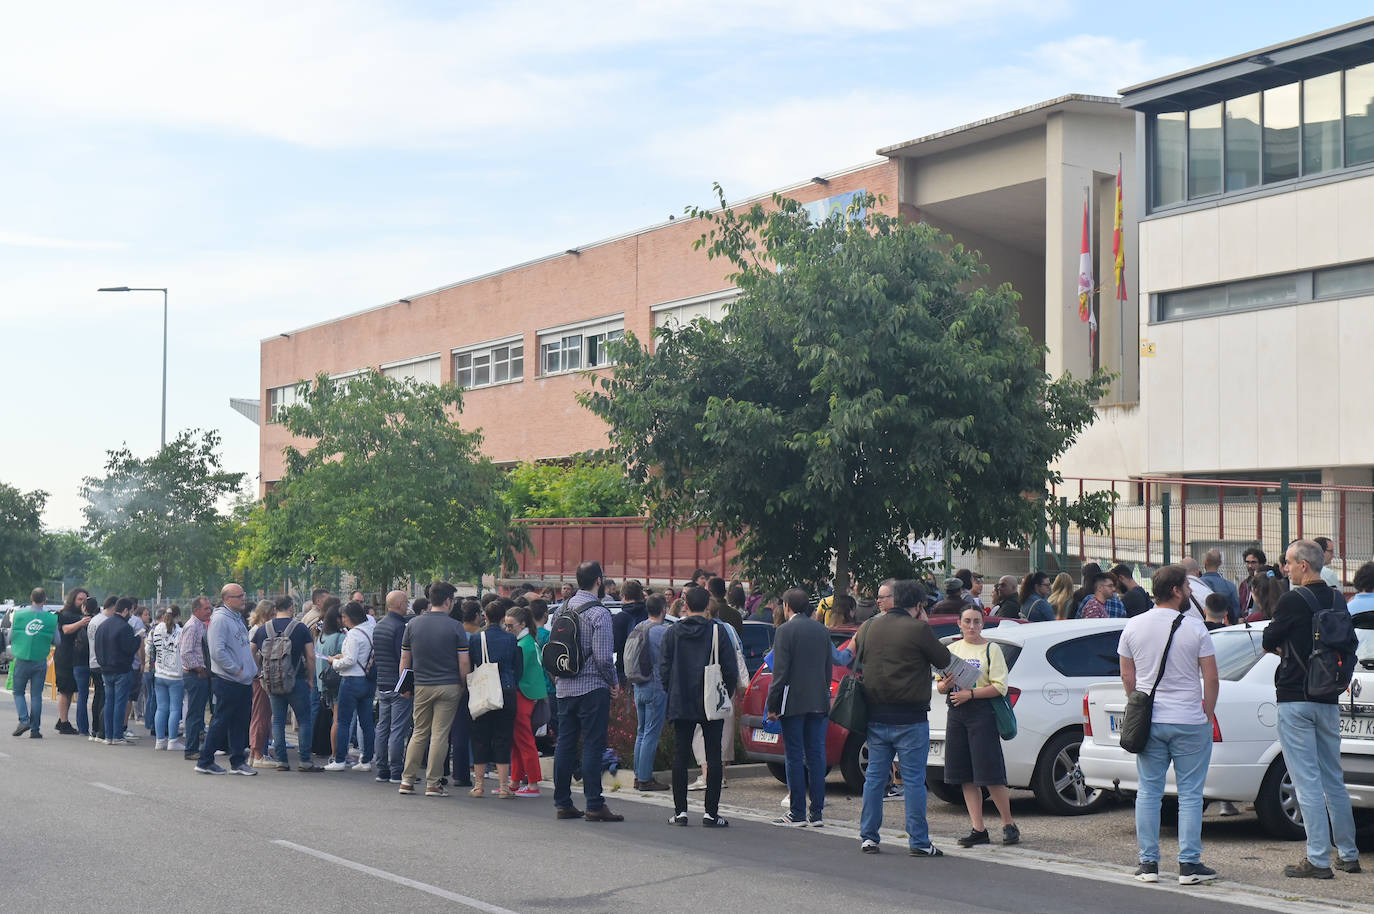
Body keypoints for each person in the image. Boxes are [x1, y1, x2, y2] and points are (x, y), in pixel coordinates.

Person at [1262, 539, 1361, 879]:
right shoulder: (1337, 597)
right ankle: (1348, 854)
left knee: (1306, 782)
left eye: (1288, 562)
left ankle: (1318, 858)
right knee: (1334, 778)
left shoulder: (1292, 599)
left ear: (1304, 565)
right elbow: (1351, 643)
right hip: (1328, 697)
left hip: (1295, 697)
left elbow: (1268, 638)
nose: (1284, 568)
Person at [1119, 564, 1219, 885]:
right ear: (1176, 591)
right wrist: (1208, 711)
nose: (1190, 593)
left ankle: (1148, 864)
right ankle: (1189, 865)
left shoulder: (1133, 626)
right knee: (1190, 794)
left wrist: (1137, 701)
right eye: (1187, 588)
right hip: (1189, 719)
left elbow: (1127, 675)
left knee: (1148, 791)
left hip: (1152, 720)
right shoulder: (1196, 628)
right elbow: (1211, 676)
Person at [856, 579, 951, 857]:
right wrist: (921, 620)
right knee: (913, 780)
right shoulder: (918, 628)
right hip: (910, 718)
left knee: (874, 778)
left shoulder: (870, 626)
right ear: (919, 605)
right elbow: (943, 659)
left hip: (875, 714)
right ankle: (919, 841)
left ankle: (869, 837)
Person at [938, 606, 1019, 847]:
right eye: (967, 622)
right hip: (956, 711)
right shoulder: (951, 650)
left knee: (990, 772)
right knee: (965, 774)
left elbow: (1000, 687)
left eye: (976, 621)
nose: (972, 626)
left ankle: (1008, 823)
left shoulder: (991, 650)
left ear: (983, 624)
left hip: (982, 713)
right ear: (959, 624)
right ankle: (978, 828)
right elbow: (941, 685)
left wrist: (970, 694)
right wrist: (946, 686)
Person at [551, 560, 624, 822]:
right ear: (599, 581)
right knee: (593, 744)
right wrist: (614, 683)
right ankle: (594, 804)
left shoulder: (563, 608)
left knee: (565, 744)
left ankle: (563, 802)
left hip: (565, 687)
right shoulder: (599, 613)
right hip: (592, 687)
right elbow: (604, 657)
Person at [660, 585, 739, 828]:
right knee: (713, 755)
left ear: (685, 604)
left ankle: (680, 812)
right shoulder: (718, 631)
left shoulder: (672, 632)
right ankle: (711, 813)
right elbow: (730, 669)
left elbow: (663, 668)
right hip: (710, 699)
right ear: (708, 605)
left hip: (681, 697)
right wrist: (725, 692)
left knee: (680, 755)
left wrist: (671, 690)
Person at [766, 587, 833, 828]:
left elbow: (780, 673)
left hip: (792, 701)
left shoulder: (785, 631)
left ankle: (797, 812)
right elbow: (828, 669)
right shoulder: (822, 630)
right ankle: (817, 813)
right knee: (816, 755)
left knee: (794, 756)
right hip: (818, 701)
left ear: (787, 606)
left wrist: (772, 706)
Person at [399, 582, 470, 797]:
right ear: (448, 601)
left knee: (419, 732)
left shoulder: (413, 624)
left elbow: (404, 659)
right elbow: (464, 661)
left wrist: (404, 685)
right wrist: (463, 683)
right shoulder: (456, 626)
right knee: (440, 734)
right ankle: (433, 783)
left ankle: (407, 780)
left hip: (421, 685)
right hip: (449, 685)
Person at [252, 595, 319, 772]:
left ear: (275, 609)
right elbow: (311, 656)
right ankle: (305, 760)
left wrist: (259, 672)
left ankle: (282, 760)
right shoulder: (300, 628)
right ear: (291, 608)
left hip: (272, 681)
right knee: (304, 720)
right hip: (296, 679)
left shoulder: (264, 629)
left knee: (278, 721)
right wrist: (310, 678)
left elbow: (252, 649)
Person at [196, 584, 257, 775]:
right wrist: (236, 670)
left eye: (243, 595)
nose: (243, 599)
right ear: (227, 599)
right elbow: (217, 651)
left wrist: (250, 669)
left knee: (239, 721)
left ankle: (237, 761)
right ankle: (205, 760)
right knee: (221, 720)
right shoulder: (220, 620)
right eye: (239, 596)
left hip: (242, 680)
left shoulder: (236, 618)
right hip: (229, 680)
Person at [469, 600, 521, 799]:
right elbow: (517, 667)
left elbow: (472, 662)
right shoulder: (510, 639)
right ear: (502, 618)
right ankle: (503, 786)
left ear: (485, 616)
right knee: (503, 737)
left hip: (483, 691)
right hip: (506, 690)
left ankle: (479, 785)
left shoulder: (476, 639)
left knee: (480, 737)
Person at [325, 601, 376, 772]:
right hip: (367, 680)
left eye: (344, 617)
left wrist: (334, 662)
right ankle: (367, 759)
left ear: (350, 617)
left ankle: (339, 759)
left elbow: (349, 660)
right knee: (367, 722)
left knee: (343, 721)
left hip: (351, 680)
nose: (343, 620)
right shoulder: (370, 629)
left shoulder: (353, 634)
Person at [629, 594, 670, 792]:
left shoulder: (639, 627)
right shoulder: (663, 632)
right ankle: (645, 779)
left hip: (638, 684)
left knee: (641, 731)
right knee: (651, 733)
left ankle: (638, 775)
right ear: (664, 609)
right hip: (656, 685)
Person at [507, 604, 547, 797]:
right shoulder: (530, 641)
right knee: (519, 740)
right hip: (529, 693)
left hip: (522, 694)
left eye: (510, 625)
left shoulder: (522, 645)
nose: (508, 629)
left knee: (524, 740)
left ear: (521, 624)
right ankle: (516, 782)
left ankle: (532, 784)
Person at [371, 590, 412, 783]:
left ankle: (381, 769)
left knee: (382, 727)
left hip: (382, 682)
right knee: (398, 729)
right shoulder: (400, 628)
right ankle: (396, 770)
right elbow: (402, 657)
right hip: (398, 682)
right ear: (399, 604)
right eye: (405, 602)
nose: (408, 605)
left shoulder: (379, 626)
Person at [10, 587, 60, 738]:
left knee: (18, 692)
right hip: (40, 660)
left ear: (31, 597)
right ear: (45, 600)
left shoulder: (18, 615)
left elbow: (11, 637)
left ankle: (24, 720)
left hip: (22, 658)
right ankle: (35, 730)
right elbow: (57, 641)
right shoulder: (51, 619)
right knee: (36, 695)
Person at [95, 597, 139, 746]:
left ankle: (108, 735)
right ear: (126, 610)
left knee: (109, 702)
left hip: (105, 669)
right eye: (131, 611)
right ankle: (117, 735)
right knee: (120, 703)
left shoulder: (103, 625)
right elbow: (129, 648)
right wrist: (138, 639)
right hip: (121, 669)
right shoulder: (125, 628)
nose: (131, 615)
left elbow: (97, 647)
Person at [179, 596, 213, 760]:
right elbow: (186, 652)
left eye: (209, 608)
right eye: (206, 608)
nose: (209, 611)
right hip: (195, 675)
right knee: (194, 713)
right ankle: (191, 749)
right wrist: (199, 669)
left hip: (201, 674)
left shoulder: (201, 625)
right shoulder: (192, 626)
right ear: (196, 610)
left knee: (199, 713)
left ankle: (195, 745)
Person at [53, 587, 89, 735]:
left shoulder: (85, 615)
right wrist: (81, 623)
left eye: (85, 600)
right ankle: (64, 722)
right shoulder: (64, 614)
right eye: (80, 599)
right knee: (65, 690)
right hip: (64, 656)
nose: (82, 602)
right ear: (73, 599)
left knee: (70, 690)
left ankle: (63, 720)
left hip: (79, 658)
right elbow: (66, 630)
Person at [313, 602, 345, 765]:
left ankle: (335, 753)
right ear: (337, 620)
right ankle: (336, 754)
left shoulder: (321, 638)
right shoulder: (341, 638)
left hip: (324, 682)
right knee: (339, 720)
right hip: (338, 682)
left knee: (335, 717)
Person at [150, 606, 185, 751]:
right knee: (175, 709)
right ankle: (172, 740)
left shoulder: (157, 629)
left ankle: (159, 740)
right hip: (176, 675)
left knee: (161, 708)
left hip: (159, 673)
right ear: (178, 616)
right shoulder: (181, 632)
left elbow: (149, 649)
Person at [247, 599, 275, 768]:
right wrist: (258, 672)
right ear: (264, 615)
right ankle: (258, 753)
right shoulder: (258, 631)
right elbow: (251, 652)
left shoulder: (255, 629)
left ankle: (255, 752)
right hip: (260, 678)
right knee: (261, 715)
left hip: (258, 677)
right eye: (271, 615)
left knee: (261, 714)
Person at [86, 596, 117, 741]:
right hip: (101, 663)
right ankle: (101, 730)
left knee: (98, 696)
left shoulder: (94, 620)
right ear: (113, 607)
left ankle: (95, 728)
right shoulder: (105, 622)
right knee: (104, 697)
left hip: (93, 661)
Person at [71, 596, 98, 737]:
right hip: (95, 661)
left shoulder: (79, 622)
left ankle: (83, 728)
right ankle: (97, 727)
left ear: (84, 608)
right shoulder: (98, 622)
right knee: (99, 695)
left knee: (82, 695)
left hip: (80, 662)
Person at [1200, 550, 1241, 624]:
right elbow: (1236, 611)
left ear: (1205, 562)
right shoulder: (1230, 586)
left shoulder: (1197, 584)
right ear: (1220, 563)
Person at [1238, 547, 1267, 616]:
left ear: (1261, 564)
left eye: (1253, 562)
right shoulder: (1244, 584)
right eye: (1247, 562)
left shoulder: (1267, 582)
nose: (1250, 566)